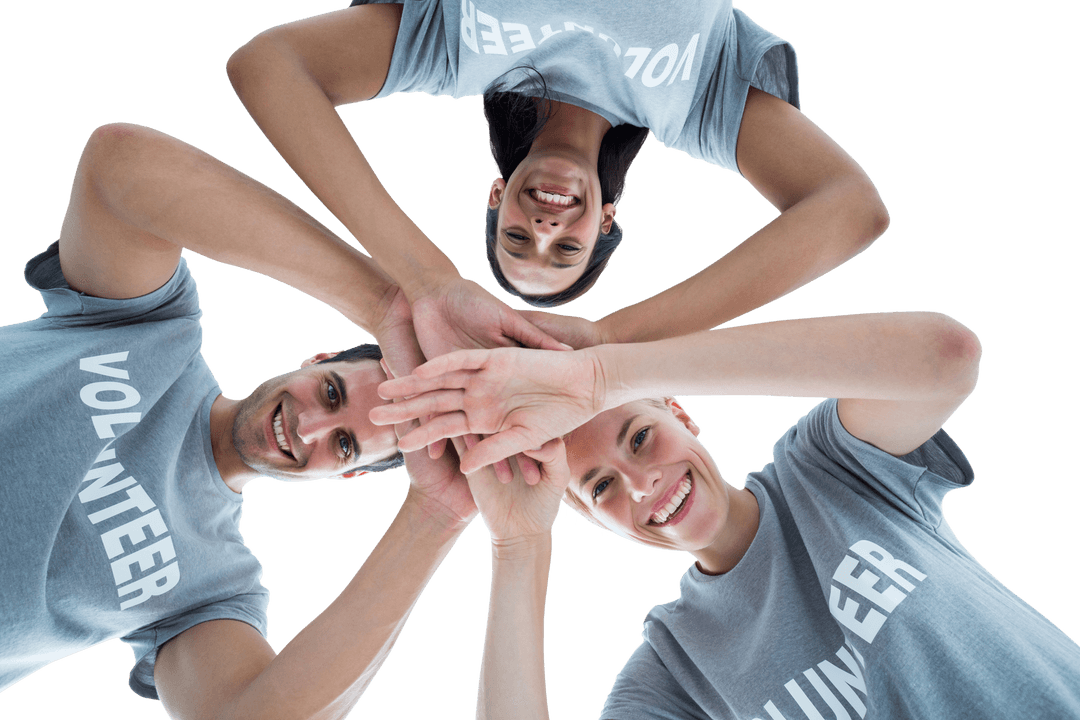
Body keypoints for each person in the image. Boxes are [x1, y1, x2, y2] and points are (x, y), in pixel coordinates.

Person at [0, 122, 517, 719]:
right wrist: (386, 307)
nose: (311, 429)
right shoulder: (152, 328)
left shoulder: (211, 586)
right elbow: (119, 167)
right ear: (316, 360)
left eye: (345, 445)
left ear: (342, 478)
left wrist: (437, 513)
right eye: (330, 393)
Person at [374, 311, 1080, 718]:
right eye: (599, 488)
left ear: (678, 410)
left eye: (641, 436)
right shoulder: (677, 671)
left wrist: (604, 374)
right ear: (591, 520)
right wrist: (519, 545)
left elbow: (946, 357)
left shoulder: (828, 469)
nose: (642, 484)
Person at [226, 0, 888, 341]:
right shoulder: (696, 107)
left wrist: (425, 279)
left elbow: (267, 66)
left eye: (517, 237)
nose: (544, 227)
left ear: (497, 194)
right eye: (566, 247)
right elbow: (851, 208)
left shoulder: (451, 52)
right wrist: (612, 340)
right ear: (607, 219)